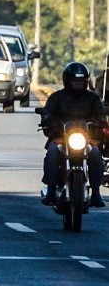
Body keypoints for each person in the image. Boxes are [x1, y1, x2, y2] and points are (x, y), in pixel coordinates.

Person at [40, 62, 107, 207]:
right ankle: (51, 190)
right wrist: (48, 119)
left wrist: (101, 121)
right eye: (75, 81)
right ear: (68, 81)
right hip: (61, 137)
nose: (78, 84)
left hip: (86, 138)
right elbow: (48, 112)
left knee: (95, 154)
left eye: (81, 81)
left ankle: (96, 192)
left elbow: (101, 113)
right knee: (52, 152)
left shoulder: (93, 98)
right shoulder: (57, 97)